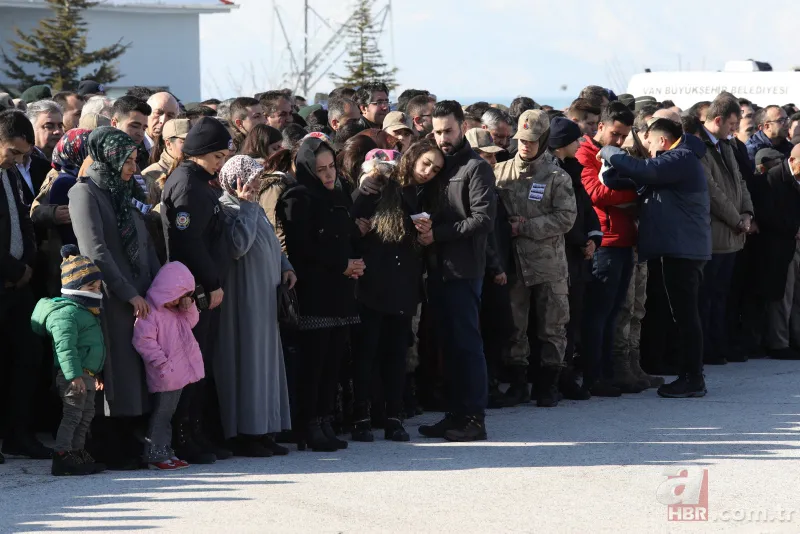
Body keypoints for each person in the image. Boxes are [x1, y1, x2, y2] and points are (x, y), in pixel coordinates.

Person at [68, 126, 162, 468]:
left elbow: (144, 242)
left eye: (135, 160)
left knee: (132, 370)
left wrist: (158, 287)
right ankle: (107, 443)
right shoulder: (84, 192)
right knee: (113, 370)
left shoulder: (121, 191)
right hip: (109, 295)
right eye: (127, 161)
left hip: (138, 293)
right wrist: (127, 292)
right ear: (108, 157)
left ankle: (127, 436)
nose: (133, 168)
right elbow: (94, 250)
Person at [598, 118, 712, 398]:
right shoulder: (677, 162)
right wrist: (613, 174)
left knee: (686, 316)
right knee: (683, 314)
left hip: (684, 250)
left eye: (649, 143)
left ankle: (692, 378)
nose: (647, 149)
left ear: (662, 140)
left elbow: (645, 170)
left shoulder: (680, 158)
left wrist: (610, 153)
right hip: (680, 248)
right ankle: (691, 375)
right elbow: (639, 178)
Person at [414, 100, 495, 442]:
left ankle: (474, 418)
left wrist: (438, 234)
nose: (442, 138)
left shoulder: (476, 168)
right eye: (437, 132)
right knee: (446, 345)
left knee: (466, 345)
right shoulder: (438, 165)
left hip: (463, 270)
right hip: (437, 270)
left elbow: (483, 219)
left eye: (448, 130)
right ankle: (454, 414)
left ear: (462, 127)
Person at [277, 136, 362, 452]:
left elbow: (347, 237)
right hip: (314, 292)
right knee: (314, 362)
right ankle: (309, 424)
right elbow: (302, 249)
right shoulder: (297, 198)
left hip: (341, 291)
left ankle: (325, 420)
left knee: (333, 361)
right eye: (321, 169)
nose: (328, 174)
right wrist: (342, 264)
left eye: (331, 167)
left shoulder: (338, 195)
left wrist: (355, 263)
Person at [161, 116, 235, 464]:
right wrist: (211, 283)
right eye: (217, 156)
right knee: (190, 364)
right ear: (200, 152)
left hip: (202, 286)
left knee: (200, 362)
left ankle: (197, 431)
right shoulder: (188, 185)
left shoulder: (200, 181)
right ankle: (183, 435)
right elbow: (188, 242)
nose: (221, 163)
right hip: (195, 289)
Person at [493, 110, 576, 407]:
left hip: (548, 264)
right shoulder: (500, 172)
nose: (525, 146)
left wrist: (526, 227)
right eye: (521, 140)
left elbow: (566, 218)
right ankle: (518, 384)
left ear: (543, 140)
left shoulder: (557, 177)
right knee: (515, 326)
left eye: (531, 140)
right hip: (514, 264)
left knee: (552, 326)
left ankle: (549, 384)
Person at [350, 148, 431, 442]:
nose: (385, 176)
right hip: (369, 287)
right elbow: (346, 228)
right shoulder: (364, 196)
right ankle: (362, 416)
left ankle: (394, 416)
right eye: (379, 171)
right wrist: (362, 194)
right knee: (366, 354)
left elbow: (422, 228)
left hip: (402, 287)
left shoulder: (411, 195)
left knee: (397, 355)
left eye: (390, 171)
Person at [216, 156, 294, 456]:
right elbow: (238, 246)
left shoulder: (255, 207)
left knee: (267, 363)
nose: (258, 182)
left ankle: (266, 429)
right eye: (252, 177)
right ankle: (248, 433)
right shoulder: (227, 207)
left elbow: (270, 241)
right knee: (250, 363)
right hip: (245, 300)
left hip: (265, 297)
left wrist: (285, 266)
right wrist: (246, 205)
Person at [575, 101, 637, 397]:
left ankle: (607, 373)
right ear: (600, 126)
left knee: (613, 312)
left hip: (623, 239)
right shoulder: (585, 153)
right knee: (598, 313)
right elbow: (596, 193)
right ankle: (593, 375)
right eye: (615, 134)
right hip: (605, 242)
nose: (620, 141)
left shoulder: (619, 154)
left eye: (624, 136)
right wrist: (635, 189)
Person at [0, 110, 51, 463]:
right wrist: (14, 269)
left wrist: (28, 264)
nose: (18, 161)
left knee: (28, 356)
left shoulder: (14, 174)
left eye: (23, 155)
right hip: (5, 278)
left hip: (19, 286)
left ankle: (19, 435)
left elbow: (25, 221)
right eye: (13, 152)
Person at [31, 245, 106, 476]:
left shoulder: (85, 313)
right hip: (73, 376)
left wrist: (94, 373)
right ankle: (62, 454)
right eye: (91, 287)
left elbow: (89, 348)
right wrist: (74, 376)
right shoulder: (66, 314)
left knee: (86, 416)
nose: (96, 291)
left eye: (98, 287)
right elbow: (65, 349)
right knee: (73, 415)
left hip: (87, 375)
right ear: (75, 288)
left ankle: (77, 452)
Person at [548, 117, 602, 399]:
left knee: (573, 319)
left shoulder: (573, 169)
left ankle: (567, 374)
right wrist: (581, 241)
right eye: (575, 139)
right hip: (559, 255)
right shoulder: (548, 171)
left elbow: (585, 208)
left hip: (578, 258)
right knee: (556, 321)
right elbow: (560, 216)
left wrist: (593, 237)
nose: (581, 143)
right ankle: (554, 377)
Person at [697, 94, 753, 365]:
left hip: (732, 234)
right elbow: (712, 191)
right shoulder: (699, 146)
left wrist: (747, 213)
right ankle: (706, 347)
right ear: (718, 120)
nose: (734, 130)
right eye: (732, 124)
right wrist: (736, 219)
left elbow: (739, 182)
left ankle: (719, 344)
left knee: (722, 295)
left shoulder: (726, 145)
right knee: (706, 296)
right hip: (714, 234)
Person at [132, 261, 204, 470]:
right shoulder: (150, 312)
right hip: (164, 373)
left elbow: (192, 322)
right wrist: (161, 363)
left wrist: (188, 305)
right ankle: (155, 453)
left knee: (169, 415)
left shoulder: (176, 311)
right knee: (161, 415)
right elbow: (143, 340)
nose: (177, 300)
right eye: (177, 295)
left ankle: (165, 450)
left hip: (177, 373)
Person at [756, 144, 800, 360]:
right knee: (783, 296)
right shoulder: (772, 179)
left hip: (795, 243)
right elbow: (767, 215)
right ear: (792, 161)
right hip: (781, 246)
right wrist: (794, 229)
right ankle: (779, 343)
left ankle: (796, 339)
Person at [48, 129, 92, 247]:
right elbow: (70, 233)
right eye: (90, 151)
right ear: (75, 151)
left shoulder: (80, 178)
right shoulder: (66, 183)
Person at [141, 118, 190, 203]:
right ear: (168, 143)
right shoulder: (150, 175)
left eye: (192, 141)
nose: (190, 145)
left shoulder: (197, 169)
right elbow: (146, 209)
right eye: (184, 141)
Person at [110, 96, 151, 171]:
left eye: (144, 129)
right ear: (114, 123)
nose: (140, 134)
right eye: (134, 126)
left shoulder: (144, 158)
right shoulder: (98, 157)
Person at [144, 92, 180, 160]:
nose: (163, 121)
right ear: (146, 114)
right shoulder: (132, 146)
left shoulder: (179, 150)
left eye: (170, 116)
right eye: (158, 113)